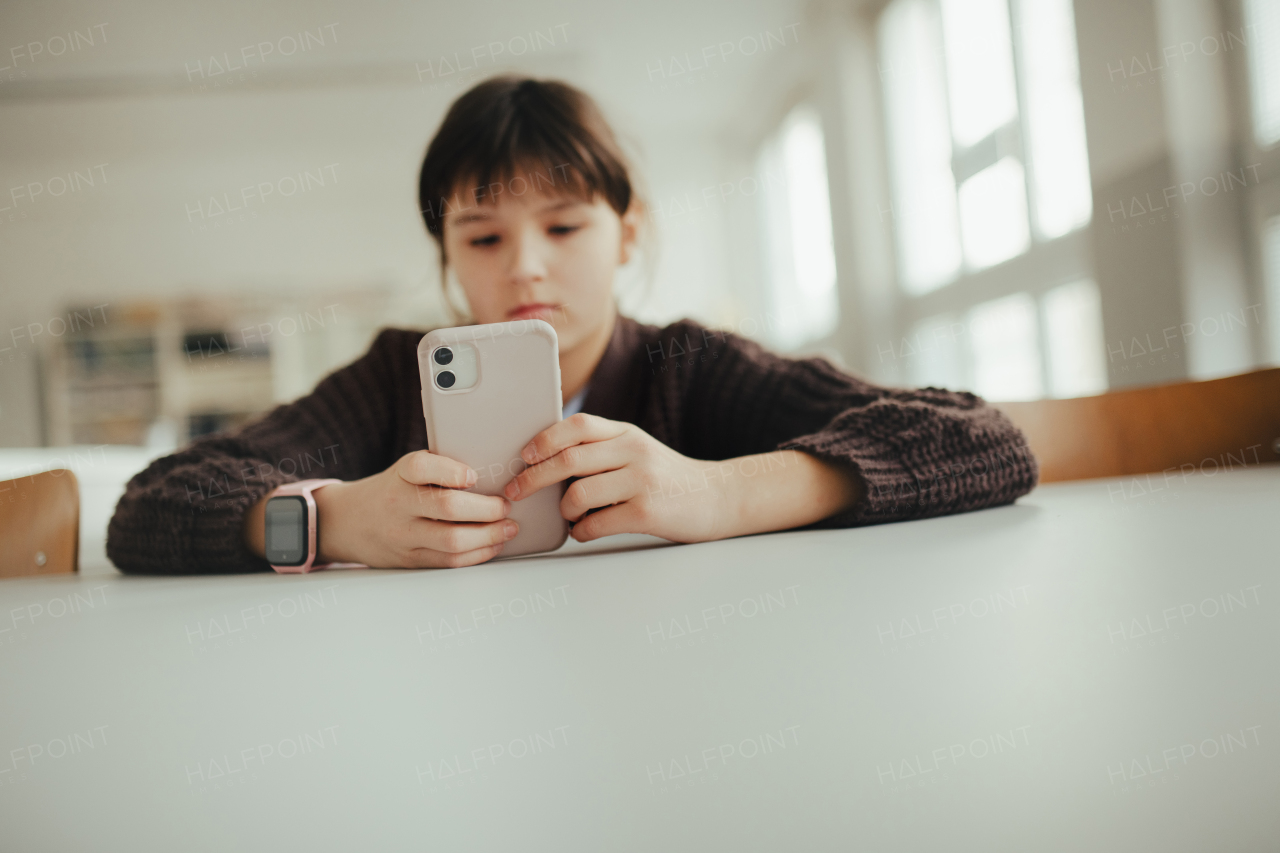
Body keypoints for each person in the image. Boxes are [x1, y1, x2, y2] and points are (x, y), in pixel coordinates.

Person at [107, 75, 1038, 575]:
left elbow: (978, 438)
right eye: (482, 235)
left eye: (563, 225)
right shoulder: (396, 375)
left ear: (626, 231)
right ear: (446, 255)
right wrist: (334, 519)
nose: (525, 266)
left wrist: (715, 495)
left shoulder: (690, 365)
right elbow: (151, 505)